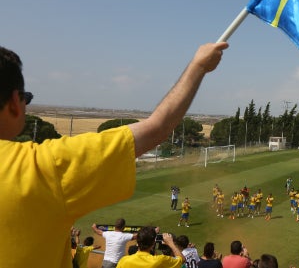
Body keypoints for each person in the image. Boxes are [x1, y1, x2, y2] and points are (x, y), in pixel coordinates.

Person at [0, 43, 228, 268]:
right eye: (26, 98)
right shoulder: (40, 165)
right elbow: (157, 128)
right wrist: (198, 66)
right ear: (13, 103)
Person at [115, 226, 185, 268]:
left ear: (137, 241)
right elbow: (182, 260)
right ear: (153, 243)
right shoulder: (160, 260)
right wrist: (171, 243)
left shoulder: (124, 261)